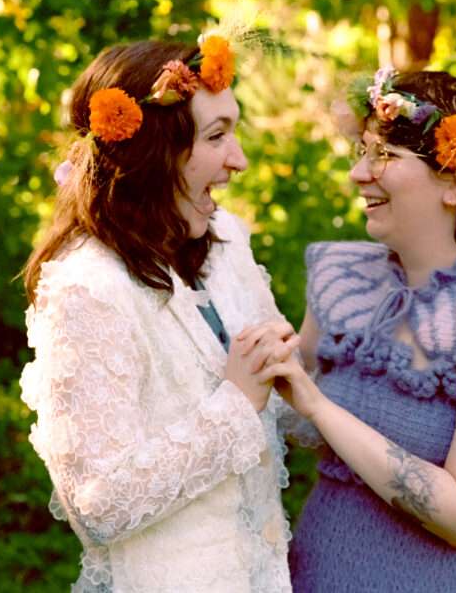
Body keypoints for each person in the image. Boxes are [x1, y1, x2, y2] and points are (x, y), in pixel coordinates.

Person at [257, 68, 456, 591]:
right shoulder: (343, 281)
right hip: (323, 573)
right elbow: (295, 421)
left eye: (384, 156)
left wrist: (318, 406)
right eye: (361, 150)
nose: (360, 173)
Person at [19, 37, 299, 592]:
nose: (238, 159)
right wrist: (237, 404)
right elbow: (99, 502)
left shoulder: (225, 241)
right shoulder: (87, 289)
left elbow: (290, 408)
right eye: (216, 136)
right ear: (150, 151)